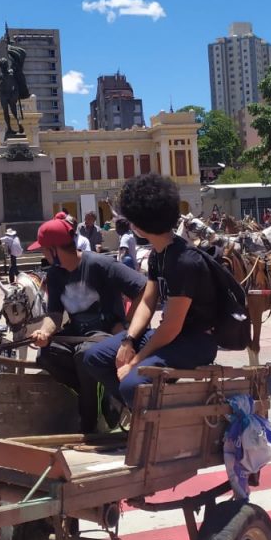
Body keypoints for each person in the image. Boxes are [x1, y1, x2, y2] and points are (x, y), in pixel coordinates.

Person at [82, 174, 219, 414]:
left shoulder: (184, 261)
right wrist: (128, 340)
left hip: (195, 342)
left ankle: (154, 425)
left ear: (139, 223)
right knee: (94, 357)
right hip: (170, 336)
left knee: (130, 384)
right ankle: (141, 412)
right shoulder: (158, 254)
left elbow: (172, 326)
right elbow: (147, 300)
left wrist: (135, 361)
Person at [28, 214, 146, 434]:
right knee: (46, 355)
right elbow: (54, 314)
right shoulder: (54, 275)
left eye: (44, 250)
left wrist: (128, 326)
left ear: (54, 249)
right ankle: (95, 393)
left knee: (84, 355)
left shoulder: (101, 264)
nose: (43, 255)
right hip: (77, 334)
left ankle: (89, 422)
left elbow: (144, 290)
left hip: (105, 335)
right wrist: (44, 332)